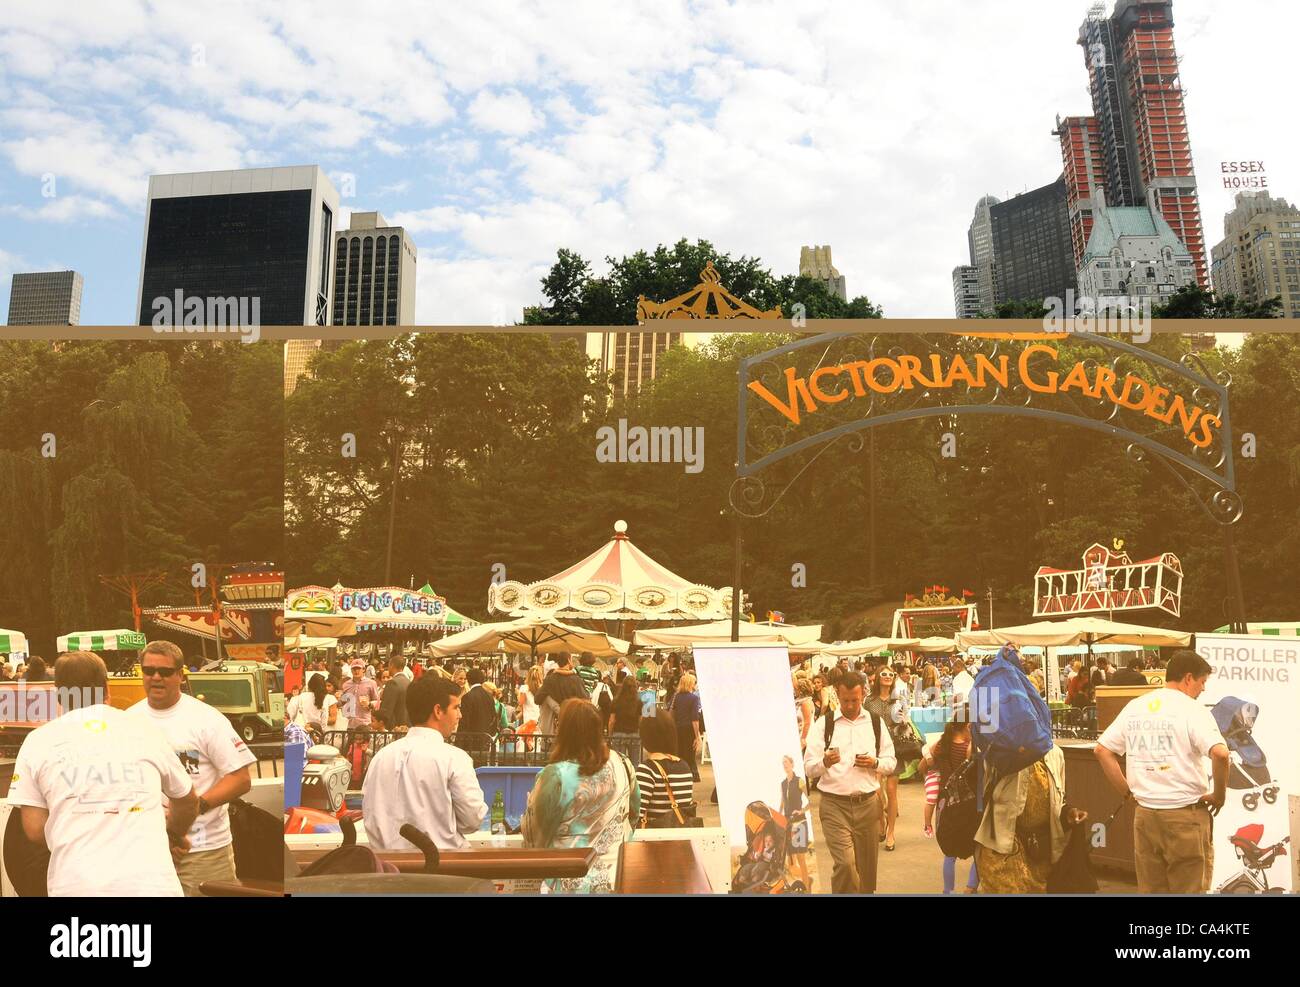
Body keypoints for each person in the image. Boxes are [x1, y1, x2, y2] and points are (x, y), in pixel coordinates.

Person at [7, 651, 199, 896]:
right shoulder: (144, 729)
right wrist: (172, 835)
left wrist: (75, 829)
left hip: (76, 885)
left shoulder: (37, 741)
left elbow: (34, 829)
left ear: (59, 694)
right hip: (152, 885)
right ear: (107, 688)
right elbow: (187, 801)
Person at [124, 640, 256, 896]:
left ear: (180, 675)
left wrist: (195, 807)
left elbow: (241, 779)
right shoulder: (128, 720)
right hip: (150, 851)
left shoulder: (207, 719)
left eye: (165, 672)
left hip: (204, 851)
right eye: (149, 671)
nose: (156, 677)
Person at [1094, 649, 1228, 894]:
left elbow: (1102, 750)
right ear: (1188, 678)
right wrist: (1219, 796)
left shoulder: (1137, 706)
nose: (1203, 689)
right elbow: (1220, 753)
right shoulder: (1192, 710)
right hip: (1184, 816)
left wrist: (1127, 793)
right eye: (1202, 682)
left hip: (1145, 816)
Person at [521, 699, 640, 893]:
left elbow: (535, 838)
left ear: (564, 732)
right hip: (618, 880)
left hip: (567, 883)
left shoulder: (556, 776)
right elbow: (633, 814)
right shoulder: (624, 763)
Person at [362, 674, 487, 850]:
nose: (460, 715)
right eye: (456, 707)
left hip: (389, 867)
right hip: (444, 867)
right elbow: (473, 818)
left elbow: (370, 815)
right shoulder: (454, 758)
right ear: (438, 711)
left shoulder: (380, 758)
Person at [803, 672, 897, 893]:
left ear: (863, 693)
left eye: (855, 700)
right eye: (845, 700)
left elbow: (891, 762)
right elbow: (808, 767)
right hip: (835, 805)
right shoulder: (824, 724)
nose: (851, 705)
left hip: (868, 804)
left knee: (866, 872)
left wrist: (874, 763)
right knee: (845, 864)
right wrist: (825, 762)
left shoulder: (875, 722)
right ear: (837, 694)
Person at [975, 741, 1086, 893]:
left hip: (1037, 852)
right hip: (1002, 849)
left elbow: (1058, 800)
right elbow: (982, 781)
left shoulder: (1055, 754)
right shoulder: (1001, 750)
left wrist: (1069, 813)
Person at [920, 716, 979, 894]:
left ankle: (948, 891)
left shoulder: (941, 744)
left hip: (946, 803)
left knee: (950, 853)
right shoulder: (970, 747)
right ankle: (970, 887)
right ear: (968, 726)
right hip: (968, 804)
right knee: (978, 847)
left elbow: (922, 768)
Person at [865, 665, 906, 851]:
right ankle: (881, 821)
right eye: (884, 674)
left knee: (891, 790)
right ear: (877, 678)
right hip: (874, 747)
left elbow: (905, 724)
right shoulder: (869, 701)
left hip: (895, 747)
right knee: (875, 791)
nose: (888, 676)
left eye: (891, 674)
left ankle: (890, 833)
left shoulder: (899, 700)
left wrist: (904, 721)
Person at [635, 710, 695, 825]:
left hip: (655, 840)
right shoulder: (684, 767)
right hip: (681, 839)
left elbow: (636, 815)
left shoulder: (647, 770)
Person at [535, 652, 588, 735]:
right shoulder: (576, 680)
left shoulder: (549, 680)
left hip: (553, 729)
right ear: (568, 661)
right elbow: (586, 701)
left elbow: (537, 699)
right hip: (572, 727)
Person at [781, 754, 812, 890]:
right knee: (791, 861)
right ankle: (807, 881)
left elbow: (810, 801)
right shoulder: (782, 783)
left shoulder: (800, 781)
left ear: (792, 764)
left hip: (799, 824)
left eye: (787, 762)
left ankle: (806, 887)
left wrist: (802, 811)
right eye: (783, 763)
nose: (785, 765)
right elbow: (782, 802)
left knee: (801, 858)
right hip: (788, 823)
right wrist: (776, 815)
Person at [668, 672, 703, 783]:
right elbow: (694, 719)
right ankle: (693, 774)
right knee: (690, 753)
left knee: (680, 752)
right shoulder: (693, 698)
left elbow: (671, 713)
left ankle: (680, 774)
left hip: (678, 727)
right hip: (689, 728)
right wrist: (697, 736)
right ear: (690, 684)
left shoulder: (676, 696)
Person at [456, 667, 500, 740]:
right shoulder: (489, 696)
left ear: (468, 680)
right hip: (486, 737)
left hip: (471, 740)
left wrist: (459, 739)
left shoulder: (467, 697)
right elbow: (493, 716)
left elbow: (464, 721)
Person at [608, 677, 643, 763]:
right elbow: (641, 721)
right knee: (634, 762)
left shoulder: (616, 701)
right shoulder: (639, 702)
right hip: (634, 734)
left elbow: (612, 721)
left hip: (618, 734)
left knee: (619, 763)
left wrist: (610, 735)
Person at [341, 659, 379, 729]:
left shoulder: (371, 683)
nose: (356, 671)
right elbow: (342, 702)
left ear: (363, 669)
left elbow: (377, 702)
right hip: (349, 723)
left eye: (358, 668)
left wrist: (369, 704)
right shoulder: (346, 684)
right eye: (354, 669)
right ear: (351, 670)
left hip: (365, 722)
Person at [378, 655, 410, 730]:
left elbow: (386, 710)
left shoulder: (392, 683)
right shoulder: (409, 682)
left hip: (394, 728)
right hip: (407, 727)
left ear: (391, 665)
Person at [793, 674, 815, 753]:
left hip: (805, 736)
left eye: (796, 689)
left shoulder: (805, 703)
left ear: (801, 690)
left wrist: (803, 738)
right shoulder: (803, 701)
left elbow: (807, 722)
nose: (794, 690)